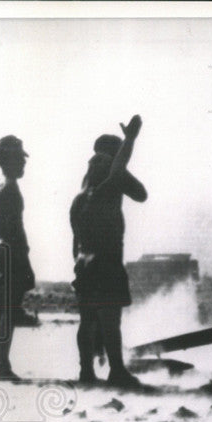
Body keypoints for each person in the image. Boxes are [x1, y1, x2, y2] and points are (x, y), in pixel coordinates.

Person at [70, 115, 147, 387]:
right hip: (106, 264)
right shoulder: (107, 190)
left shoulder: (80, 199)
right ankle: (116, 371)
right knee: (110, 320)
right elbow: (136, 189)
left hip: (84, 265)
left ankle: (86, 372)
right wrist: (130, 140)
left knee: (87, 320)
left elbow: (74, 243)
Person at [0, 135, 36, 381]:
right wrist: (22, 259)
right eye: (19, 160)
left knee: (1, 312)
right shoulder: (9, 189)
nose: (23, 164)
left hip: (0, 251)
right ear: (7, 161)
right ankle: (1, 366)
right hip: (11, 253)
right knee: (8, 312)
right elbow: (15, 229)